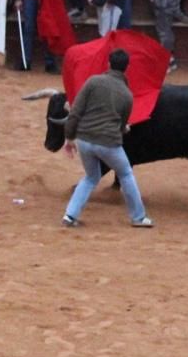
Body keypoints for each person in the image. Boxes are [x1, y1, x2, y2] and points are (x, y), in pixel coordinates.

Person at [61, 48, 152, 229]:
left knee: (90, 177)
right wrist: (123, 128)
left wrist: (69, 137)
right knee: (125, 173)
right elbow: (121, 126)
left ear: (108, 64)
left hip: (85, 140)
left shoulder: (93, 82)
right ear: (126, 69)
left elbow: (76, 112)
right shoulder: (127, 95)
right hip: (108, 143)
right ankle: (139, 217)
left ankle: (70, 215)